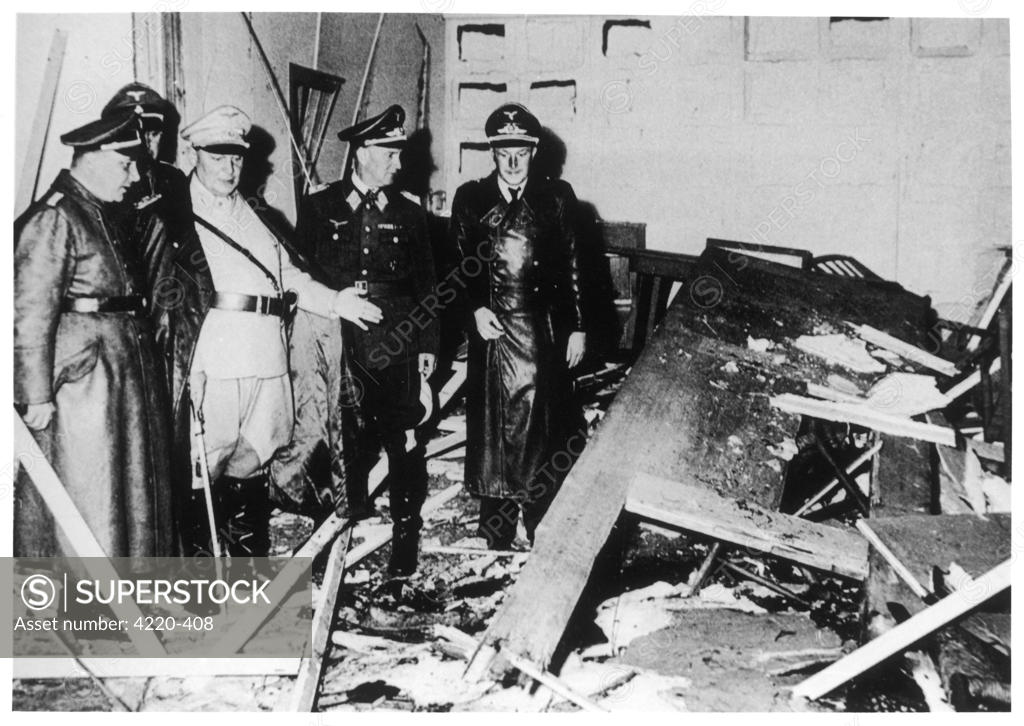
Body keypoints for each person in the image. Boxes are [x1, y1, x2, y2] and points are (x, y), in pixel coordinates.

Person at [161, 105, 382, 557]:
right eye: (218, 155)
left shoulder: (257, 213)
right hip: (214, 363)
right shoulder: (173, 217)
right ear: (193, 152)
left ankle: (247, 586)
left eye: (236, 157)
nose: (229, 167)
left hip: (266, 358)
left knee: (253, 467)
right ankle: (200, 594)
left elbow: (291, 277)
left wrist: (335, 300)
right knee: (204, 474)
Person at [14, 113, 174, 557]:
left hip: (118, 377)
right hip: (84, 388)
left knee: (130, 492)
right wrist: (35, 394)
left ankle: (131, 598)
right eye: (126, 165)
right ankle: (83, 610)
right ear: (93, 160)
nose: (136, 176)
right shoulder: (55, 217)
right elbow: (28, 309)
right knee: (91, 494)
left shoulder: (100, 213)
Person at [298, 104, 439, 579]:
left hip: (395, 345)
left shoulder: (411, 214)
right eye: (389, 153)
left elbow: (428, 290)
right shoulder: (318, 207)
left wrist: (426, 354)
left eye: (400, 154)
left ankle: (405, 537)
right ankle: (328, 534)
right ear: (361, 153)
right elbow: (302, 280)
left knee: (405, 441)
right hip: (339, 345)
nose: (399, 164)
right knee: (338, 441)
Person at [450, 102, 586, 550]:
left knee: (542, 430)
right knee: (492, 434)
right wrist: (473, 310)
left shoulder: (557, 198)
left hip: (539, 329)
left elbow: (572, 267)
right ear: (492, 151)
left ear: (534, 152)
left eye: (521, 152)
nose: (512, 162)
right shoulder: (470, 198)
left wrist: (577, 327)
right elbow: (456, 267)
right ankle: (496, 529)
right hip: (492, 330)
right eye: (504, 151)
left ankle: (539, 521)